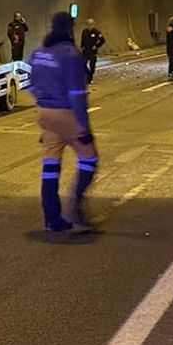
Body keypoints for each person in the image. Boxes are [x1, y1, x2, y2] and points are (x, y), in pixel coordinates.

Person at [28, 13, 99, 232]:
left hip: (45, 112)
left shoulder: (39, 53)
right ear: (70, 28)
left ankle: (52, 218)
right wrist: (84, 127)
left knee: (50, 166)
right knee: (89, 159)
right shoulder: (70, 54)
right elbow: (76, 93)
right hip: (67, 113)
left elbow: (30, 83)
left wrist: (43, 107)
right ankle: (76, 205)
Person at [79, 19, 106, 84]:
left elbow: (102, 40)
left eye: (91, 25)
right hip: (85, 51)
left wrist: (96, 46)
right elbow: (82, 40)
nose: (89, 26)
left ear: (93, 25)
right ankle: (86, 76)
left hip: (92, 52)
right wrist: (82, 46)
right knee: (83, 64)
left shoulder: (97, 32)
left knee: (92, 66)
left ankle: (90, 78)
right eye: (88, 25)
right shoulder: (84, 31)